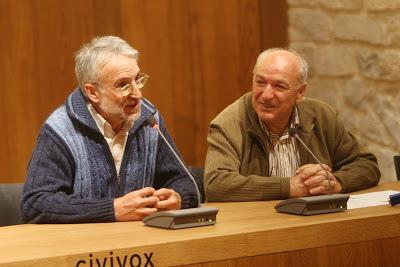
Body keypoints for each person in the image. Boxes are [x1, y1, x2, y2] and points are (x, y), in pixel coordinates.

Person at [21, 36, 198, 223]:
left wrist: (178, 198)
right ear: (92, 92)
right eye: (123, 85)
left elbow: (186, 182)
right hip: (84, 247)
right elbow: (35, 203)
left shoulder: (149, 120)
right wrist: (112, 209)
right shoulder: (60, 129)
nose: (138, 94)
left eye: (137, 79)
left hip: (142, 242)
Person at [204, 48, 380, 202]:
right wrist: (290, 186)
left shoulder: (322, 116)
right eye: (260, 82)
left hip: (314, 222)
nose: (266, 94)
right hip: (255, 227)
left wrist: (336, 183)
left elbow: (366, 165)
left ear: (300, 92)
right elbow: (216, 184)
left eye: (279, 86)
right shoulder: (229, 123)